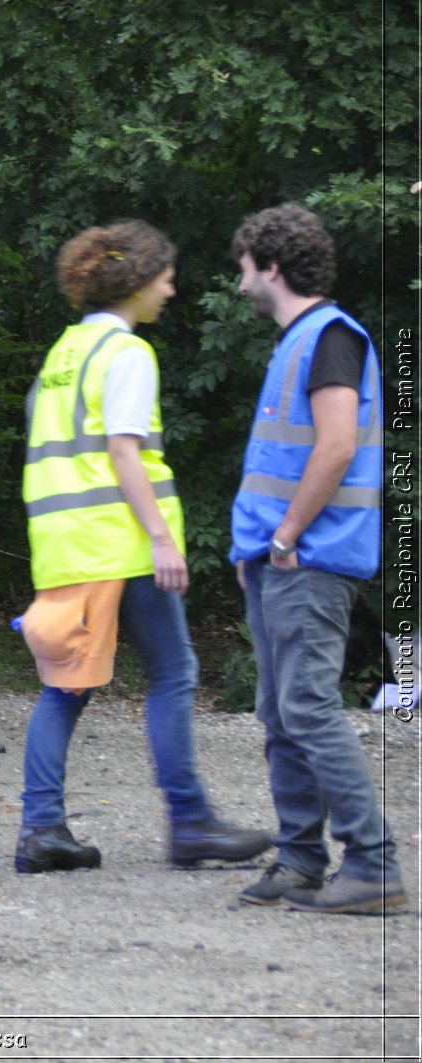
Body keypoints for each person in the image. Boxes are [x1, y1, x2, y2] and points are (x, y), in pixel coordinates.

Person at [15, 219, 270, 874]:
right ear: (135, 281)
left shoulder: (64, 354)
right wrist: (162, 538)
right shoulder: (126, 354)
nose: (172, 289)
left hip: (66, 544)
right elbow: (124, 450)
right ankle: (189, 822)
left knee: (66, 686)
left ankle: (42, 826)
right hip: (120, 541)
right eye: (165, 277)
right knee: (175, 671)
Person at [227, 204, 404, 913]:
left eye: (242, 263)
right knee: (281, 711)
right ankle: (301, 859)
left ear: (271, 266)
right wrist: (258, 549)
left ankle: (374, 862)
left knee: (307, 707)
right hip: (280, 561)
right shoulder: (300, 340)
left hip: (308, 560)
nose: (237, 277)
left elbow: (334, 447)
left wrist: (284, 536)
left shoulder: (330, 336)